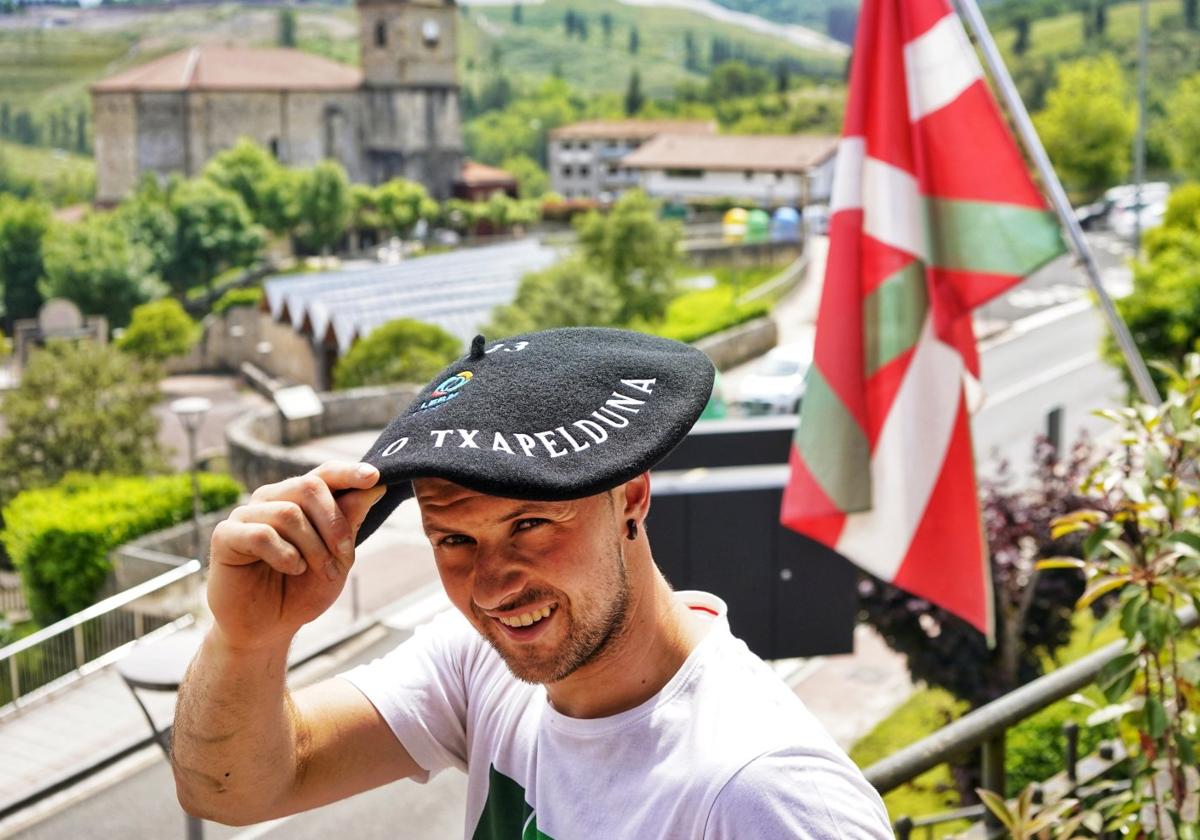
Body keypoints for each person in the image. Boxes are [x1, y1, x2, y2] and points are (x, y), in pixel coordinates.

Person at [172, 328, 892, 838]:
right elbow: (235, 789)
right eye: (454, 539)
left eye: (529, 526)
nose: (490, 588)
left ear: (631, 498)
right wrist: (246, 641)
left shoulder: (761, 790)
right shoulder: (476, 659)